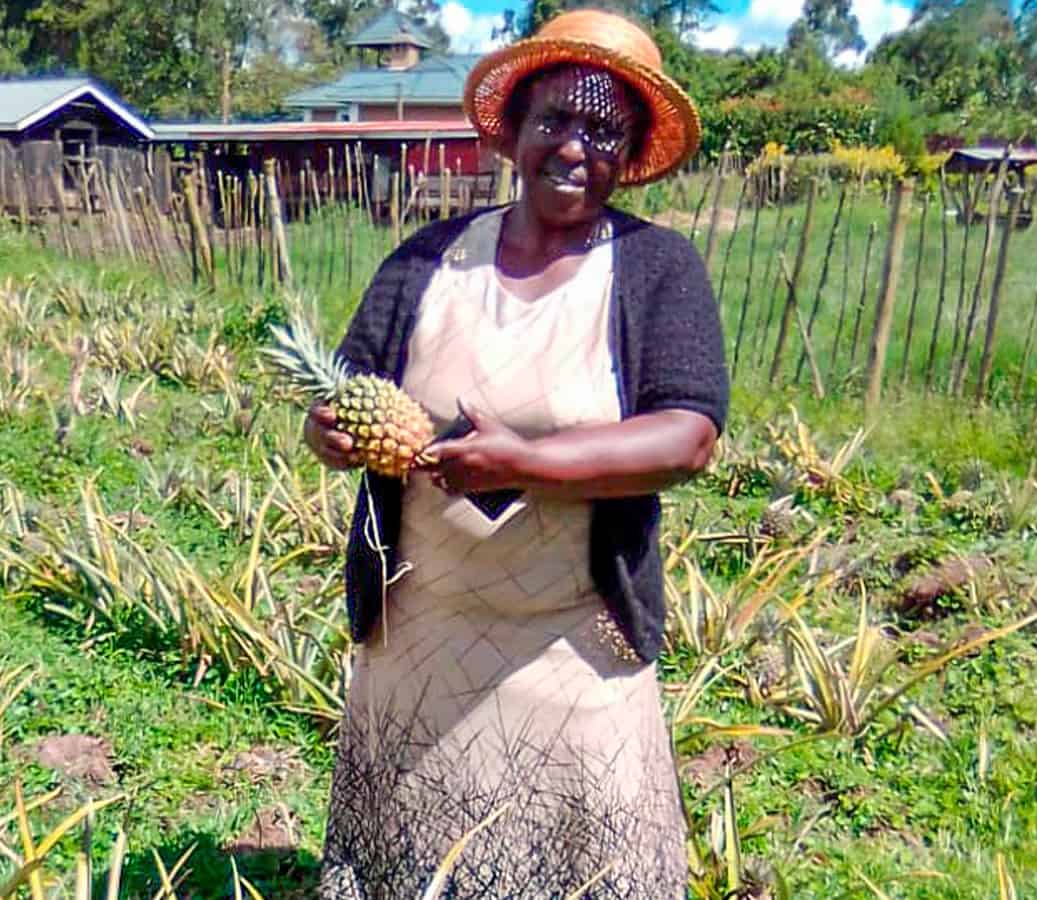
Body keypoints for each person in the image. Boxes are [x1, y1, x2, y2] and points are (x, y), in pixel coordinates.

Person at [304, 9, 729, 899]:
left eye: (604, 131)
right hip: (422, 635)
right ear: (518, 134)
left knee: (585, 863)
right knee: (408, 861)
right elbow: (342, 391)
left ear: (632, 151)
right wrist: (332, 434)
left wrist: (525, 464)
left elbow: (687, 436)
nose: (576, 148)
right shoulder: (426, 260)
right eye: (557, 123)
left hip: (574, 645)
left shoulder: (659, 270)